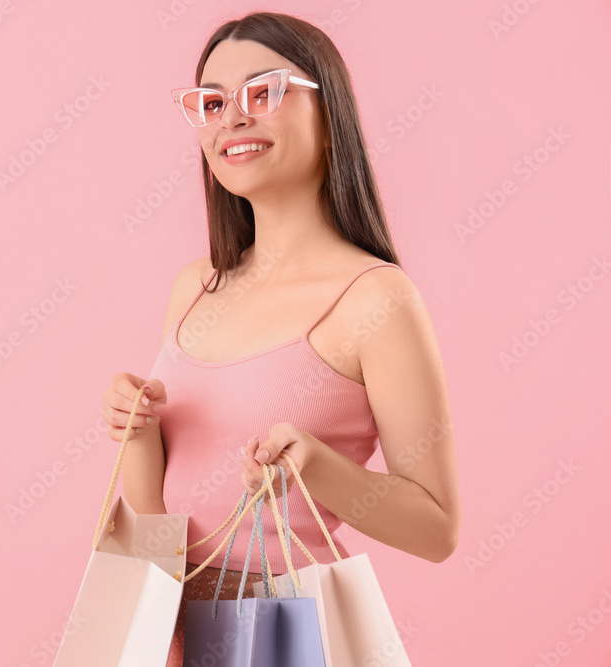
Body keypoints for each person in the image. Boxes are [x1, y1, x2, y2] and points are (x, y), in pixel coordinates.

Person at [99, 11, 461, 666]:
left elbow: (437, 528)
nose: (232, 118)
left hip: (285, 637)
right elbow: (153, 514)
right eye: (212, 103)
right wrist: (137, 431)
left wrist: (316, 467)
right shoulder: (196, 288)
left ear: (330, 120)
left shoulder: (376, 299)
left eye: (263, 92)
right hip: (171, 622)